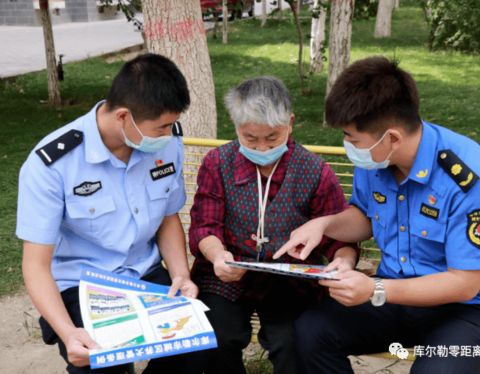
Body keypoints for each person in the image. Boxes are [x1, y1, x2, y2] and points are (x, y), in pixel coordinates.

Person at [274, 56, 480, 373]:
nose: (348, 145)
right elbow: (365, 218)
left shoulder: (469, 178)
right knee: (311, 333)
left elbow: (465, 284)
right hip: (396, 295)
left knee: (436, 370)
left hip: (467, 310)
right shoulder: (377, 160)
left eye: (352, 139)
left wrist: (376, 290)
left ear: (391, 137)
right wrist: (324, 225)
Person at [16, 53, 207, 373]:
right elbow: (35, 266)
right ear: (123, 117)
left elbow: (167, 216)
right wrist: (69, 333)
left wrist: (180, 274)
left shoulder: (167, 142)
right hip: (83, 286)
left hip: (145, 275)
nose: (167, 135)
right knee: (101, 364)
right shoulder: (52, 165)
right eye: (160, 127)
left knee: (195, 350)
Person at [188, 76, 358, 374]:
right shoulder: (218, 163)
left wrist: (343, 262)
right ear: (235, 125)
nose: (263, 148)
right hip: (226, 273)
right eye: (250, 139)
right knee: (216, 334)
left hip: (289, 281)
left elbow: (340, 238)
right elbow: (205, 225)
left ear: (290, 123)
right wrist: (218, 256)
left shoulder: (315, 172)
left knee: (293, 339)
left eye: (273, 137)